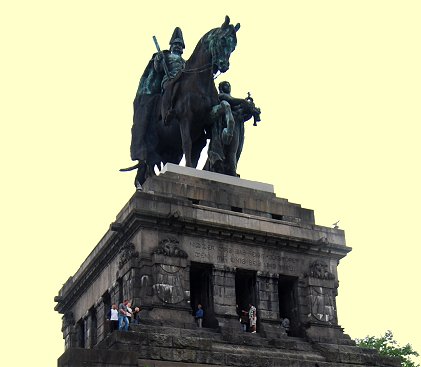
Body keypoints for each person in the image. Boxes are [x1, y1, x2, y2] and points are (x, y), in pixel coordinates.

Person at [129, 27, 186, 189]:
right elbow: (158, 69)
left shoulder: (184, 62)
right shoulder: (165, 56)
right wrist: (159, 61)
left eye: (180, 45)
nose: (177, 47)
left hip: (182, 88)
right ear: (171, 45)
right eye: (175, 44)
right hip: (167, 84)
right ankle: (166, 113)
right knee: (171, 89)